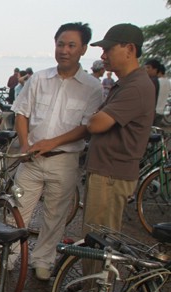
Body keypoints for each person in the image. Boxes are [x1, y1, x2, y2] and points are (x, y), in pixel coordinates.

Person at [11, 22, 103, 281]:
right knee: (17, 209)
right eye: (60, 44)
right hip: (30, 159)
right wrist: (26, 145)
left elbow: (86, 126)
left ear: (83, 49)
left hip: (64, 161)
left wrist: (52, 143)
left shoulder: (92, 87)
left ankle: (42, 261)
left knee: (55, 216)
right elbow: (22, 113)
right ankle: (8, 256)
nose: (64, 50)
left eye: (71, 45)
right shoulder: (39, 78)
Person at [84, 23, 155, 235]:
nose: (104, 56)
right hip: (106, 171)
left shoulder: (136, 87)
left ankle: (97, 271)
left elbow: (96, 123)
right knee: (93, 235)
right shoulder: (125, 83)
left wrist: (93, 118)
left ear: (130, 49)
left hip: (111, 175)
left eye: (108, 49)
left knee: (97, 239)